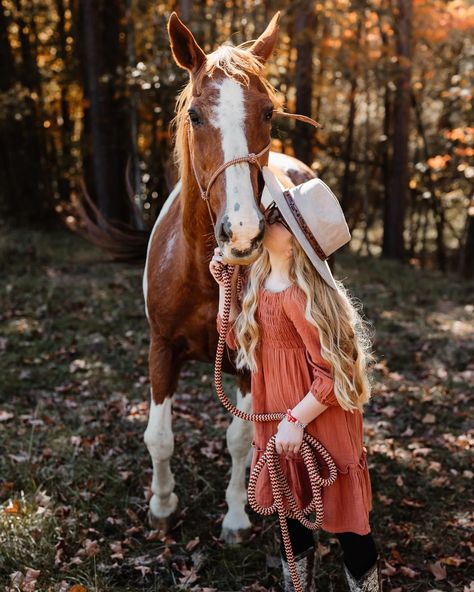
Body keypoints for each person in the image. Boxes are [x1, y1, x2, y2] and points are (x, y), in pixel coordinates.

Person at [209, 166, 382, 592]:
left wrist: (296, 419)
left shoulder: (307, 297)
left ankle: (365, 583)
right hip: (279, 414)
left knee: (347, 526)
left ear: (300, 239)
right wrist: (223, 286)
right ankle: (297, 583)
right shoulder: (259, 282)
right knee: (291, 508)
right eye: (273, 211)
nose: (268, 218)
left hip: (316, 417)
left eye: (280, 218)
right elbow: (232, 338)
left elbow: (333, 373)